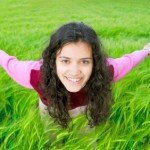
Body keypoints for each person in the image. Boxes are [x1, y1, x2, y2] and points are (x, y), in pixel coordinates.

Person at [0, 22, 150, 129]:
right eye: (65, 60)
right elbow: (9, 62)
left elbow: (130, 60)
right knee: (51, 139)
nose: (74, 71)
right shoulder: (35, 74)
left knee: (86, 139)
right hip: (50, 109)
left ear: (95, 62)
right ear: (53, 60)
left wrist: (146, 50)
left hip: (85, 108)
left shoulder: (105, 71)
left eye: (84, 61)